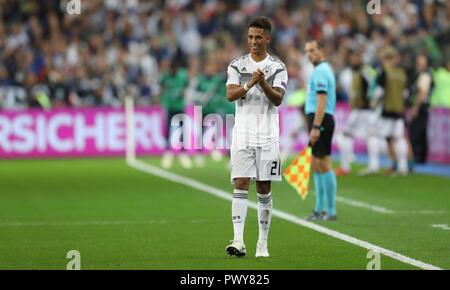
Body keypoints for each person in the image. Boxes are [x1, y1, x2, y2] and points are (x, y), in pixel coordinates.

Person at [225, 16, 288, 258]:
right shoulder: (237, 65)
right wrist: (251, 83)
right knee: (240, 182)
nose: (253, 41)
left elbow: (278, 99)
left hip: (268, 135)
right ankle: (238, 240)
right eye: (250, 37)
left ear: (268, 39)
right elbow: (230, 95)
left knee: (263, 188)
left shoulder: (278, 67)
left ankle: (263, 243)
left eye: (258, 37)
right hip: (242, 134)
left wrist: (263, 84)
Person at [359, 47, 409, 176]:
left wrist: (373, 102)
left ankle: (374, 165)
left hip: (385, 109)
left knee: (373, 135)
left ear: (387, 59)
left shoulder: (384, 72)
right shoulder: (401, 73)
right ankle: (403, 167)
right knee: (398, 138)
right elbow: (405, 93)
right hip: (399, 110)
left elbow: (379, 91)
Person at [304, 40, 338, 222]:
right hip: (319, 119)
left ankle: (330, 210)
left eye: (312, 50)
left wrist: (316, 126)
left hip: (322, 119)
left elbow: (322, 100)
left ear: (321, 51)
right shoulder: (321, 70)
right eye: (307, 51)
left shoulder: (321, 71)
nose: (309, 54)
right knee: (316, 164)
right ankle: (319, 208)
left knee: (323, 163)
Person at [335, 48, 377, 176]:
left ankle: (346, 167)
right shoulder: (348, 73)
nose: (355, 59)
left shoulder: (365, 72)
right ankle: (372, 165)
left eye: (358, 57)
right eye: (353, 57)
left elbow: (373, 88)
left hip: (363, 109)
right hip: (358, 108)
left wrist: (372, 101)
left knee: (349, 135)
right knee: (369, 136)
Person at [407, 54, 432, 164]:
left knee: (417, 132)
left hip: (421, 107)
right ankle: (419, 157)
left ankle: (418, 157)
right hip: (419, 106)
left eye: (421, 62)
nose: (419, 65)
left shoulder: (425, 75)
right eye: (418, 62)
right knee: (418, 132)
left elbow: (422, 93)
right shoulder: (417, 75)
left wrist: (415, 108)